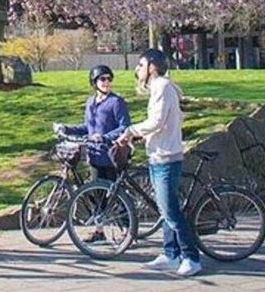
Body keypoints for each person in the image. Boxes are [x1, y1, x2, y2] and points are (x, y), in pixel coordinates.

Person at [117, 48, 201, 277]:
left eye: (140, 65)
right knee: (164, 210)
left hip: (166, 158)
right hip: (158, 156)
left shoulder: (162, 86)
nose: (137, 69)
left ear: (152, 66)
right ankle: (170, 254)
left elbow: (156, 121)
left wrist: (131, 131)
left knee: (171, 211)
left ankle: (191, 258)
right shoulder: (159, 87)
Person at [52, 64, 131, 243]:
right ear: (94, 82)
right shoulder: (90, 103)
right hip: (94, 156)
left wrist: (104, 137)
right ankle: (99, 231)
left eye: (109, 79)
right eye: (102, 79)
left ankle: (128, 231)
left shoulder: (116, 102)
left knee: (116, 196)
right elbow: (87, 127)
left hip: (111, 155)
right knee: (97, 195)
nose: (106, 82)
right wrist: (67, 128)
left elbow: (124, 127)